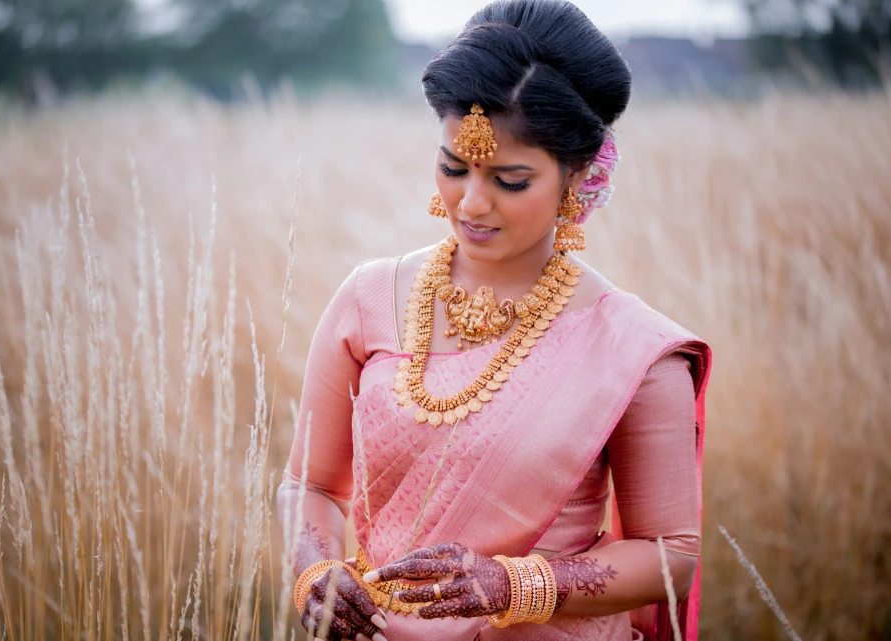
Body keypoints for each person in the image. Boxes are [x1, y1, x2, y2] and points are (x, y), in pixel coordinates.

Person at [277, 1, 712, 639]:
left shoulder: (632, 350)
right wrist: (317, 572)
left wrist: (512, 584)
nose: (471, 203)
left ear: (579, 175)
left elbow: (670, 557)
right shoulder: (370, 298)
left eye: (510, 180)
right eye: (454, 168)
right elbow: (308, 485)